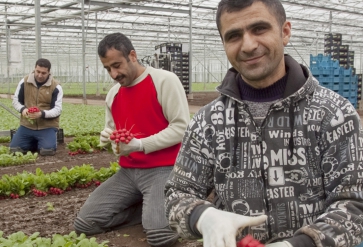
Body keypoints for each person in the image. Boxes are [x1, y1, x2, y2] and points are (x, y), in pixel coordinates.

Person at [164, 0, 363, 247]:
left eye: (259, 29)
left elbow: (355, 203)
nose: (248, 45)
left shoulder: (334, 113)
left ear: (285, 32)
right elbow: (177, 194)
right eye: (234, 36)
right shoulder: (208, 121)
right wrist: (203, 216)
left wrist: (299, 244)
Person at [73, 32, 190, 247]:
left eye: (117, 65)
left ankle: (163, 210)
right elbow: (115, 136)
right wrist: (109, 140)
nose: (113, 74)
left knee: (160, 237)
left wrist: (141, 145)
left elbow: (181, 128)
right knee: (85, 224)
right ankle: (146, 209)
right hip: (128, 173)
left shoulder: (164, 81)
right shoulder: (114, 94)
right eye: (108, 68)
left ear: (132, 56)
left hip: (163, 168)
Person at [10, 58, 63, 156]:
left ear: (49, 72)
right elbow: (16, 101)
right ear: (34, 69)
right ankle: (35, 141)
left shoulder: (56, 86)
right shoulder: (24, 82)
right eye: (37, 71)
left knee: (47, 151)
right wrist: (23, 110)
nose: (40, 75)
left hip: (47, 126)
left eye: (43, 73)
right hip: (27, 126)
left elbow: (57, 109)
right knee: (15, 149)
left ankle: (46, 139)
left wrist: (41, 114)